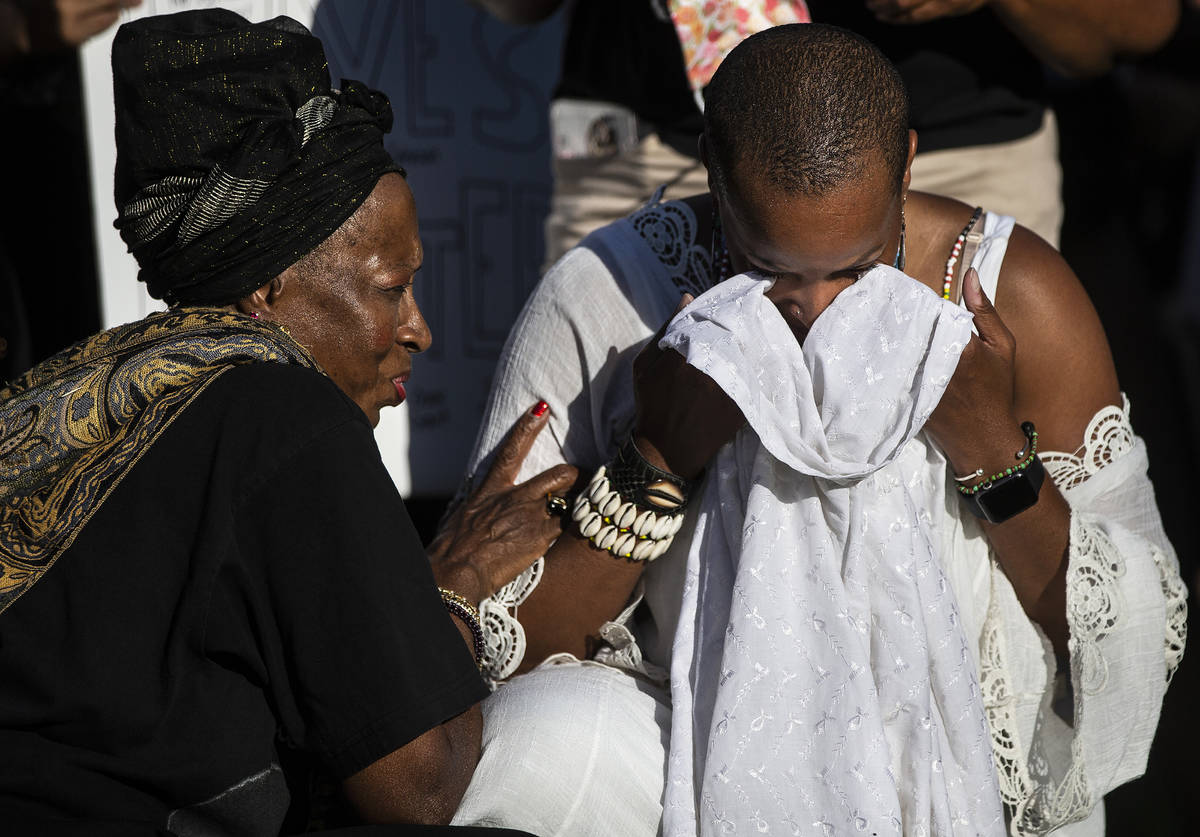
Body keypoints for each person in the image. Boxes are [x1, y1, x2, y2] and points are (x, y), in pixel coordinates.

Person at [451, 23, 1186, 836]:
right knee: (531, 747)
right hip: (681, 732)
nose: (817, 311)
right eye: (769, 269)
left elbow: (1130, 644)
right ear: (714, 179)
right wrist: (656, 459)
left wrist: (991, 450)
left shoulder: (1016, 295)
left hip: (959, 748)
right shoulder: (608, 300)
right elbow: (501, 656)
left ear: (906, 165)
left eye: (859, 268)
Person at [0, 9, 578, 836]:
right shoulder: (283, 412)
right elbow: (422, 788)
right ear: (268, 288)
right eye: (390, 287)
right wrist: (454, 584)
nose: (420, 328)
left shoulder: (87, 384)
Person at [473, 0, 1181, 261]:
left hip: (947, 163)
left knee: (952, 509)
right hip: (651, 154)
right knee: (621, 462)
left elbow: (1142, 25)